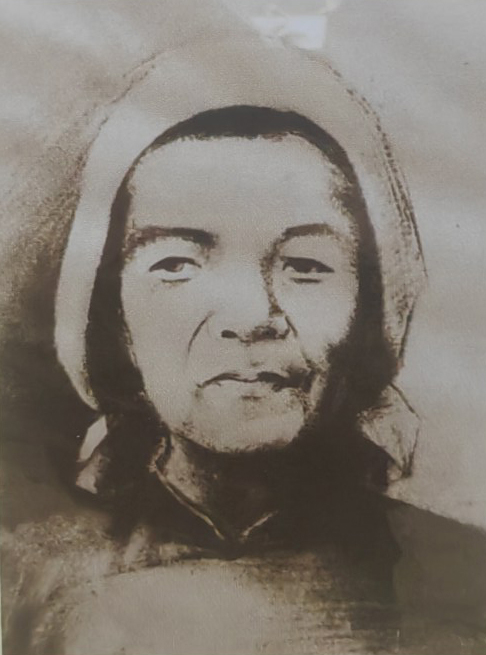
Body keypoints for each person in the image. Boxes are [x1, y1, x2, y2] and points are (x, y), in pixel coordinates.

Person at [2, 38, 485, 655]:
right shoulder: (27, 586)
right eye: (177, 263)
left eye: (306, 265)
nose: (253, 316)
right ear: (111, 314)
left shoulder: (463, 581)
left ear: (371, 308)